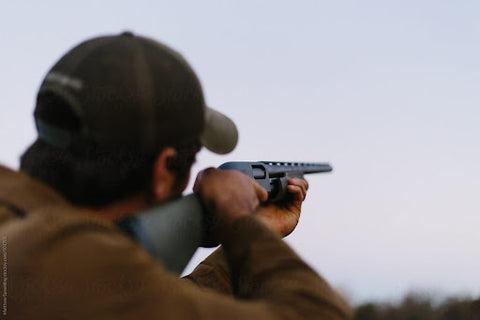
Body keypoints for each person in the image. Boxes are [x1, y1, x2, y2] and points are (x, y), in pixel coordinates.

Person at [0, 31, 351, 319]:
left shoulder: (33, 247)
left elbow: (145, 301)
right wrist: (241, 223)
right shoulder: (66, 264)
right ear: (164, 172)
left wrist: (251, 235)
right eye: (192, 160)